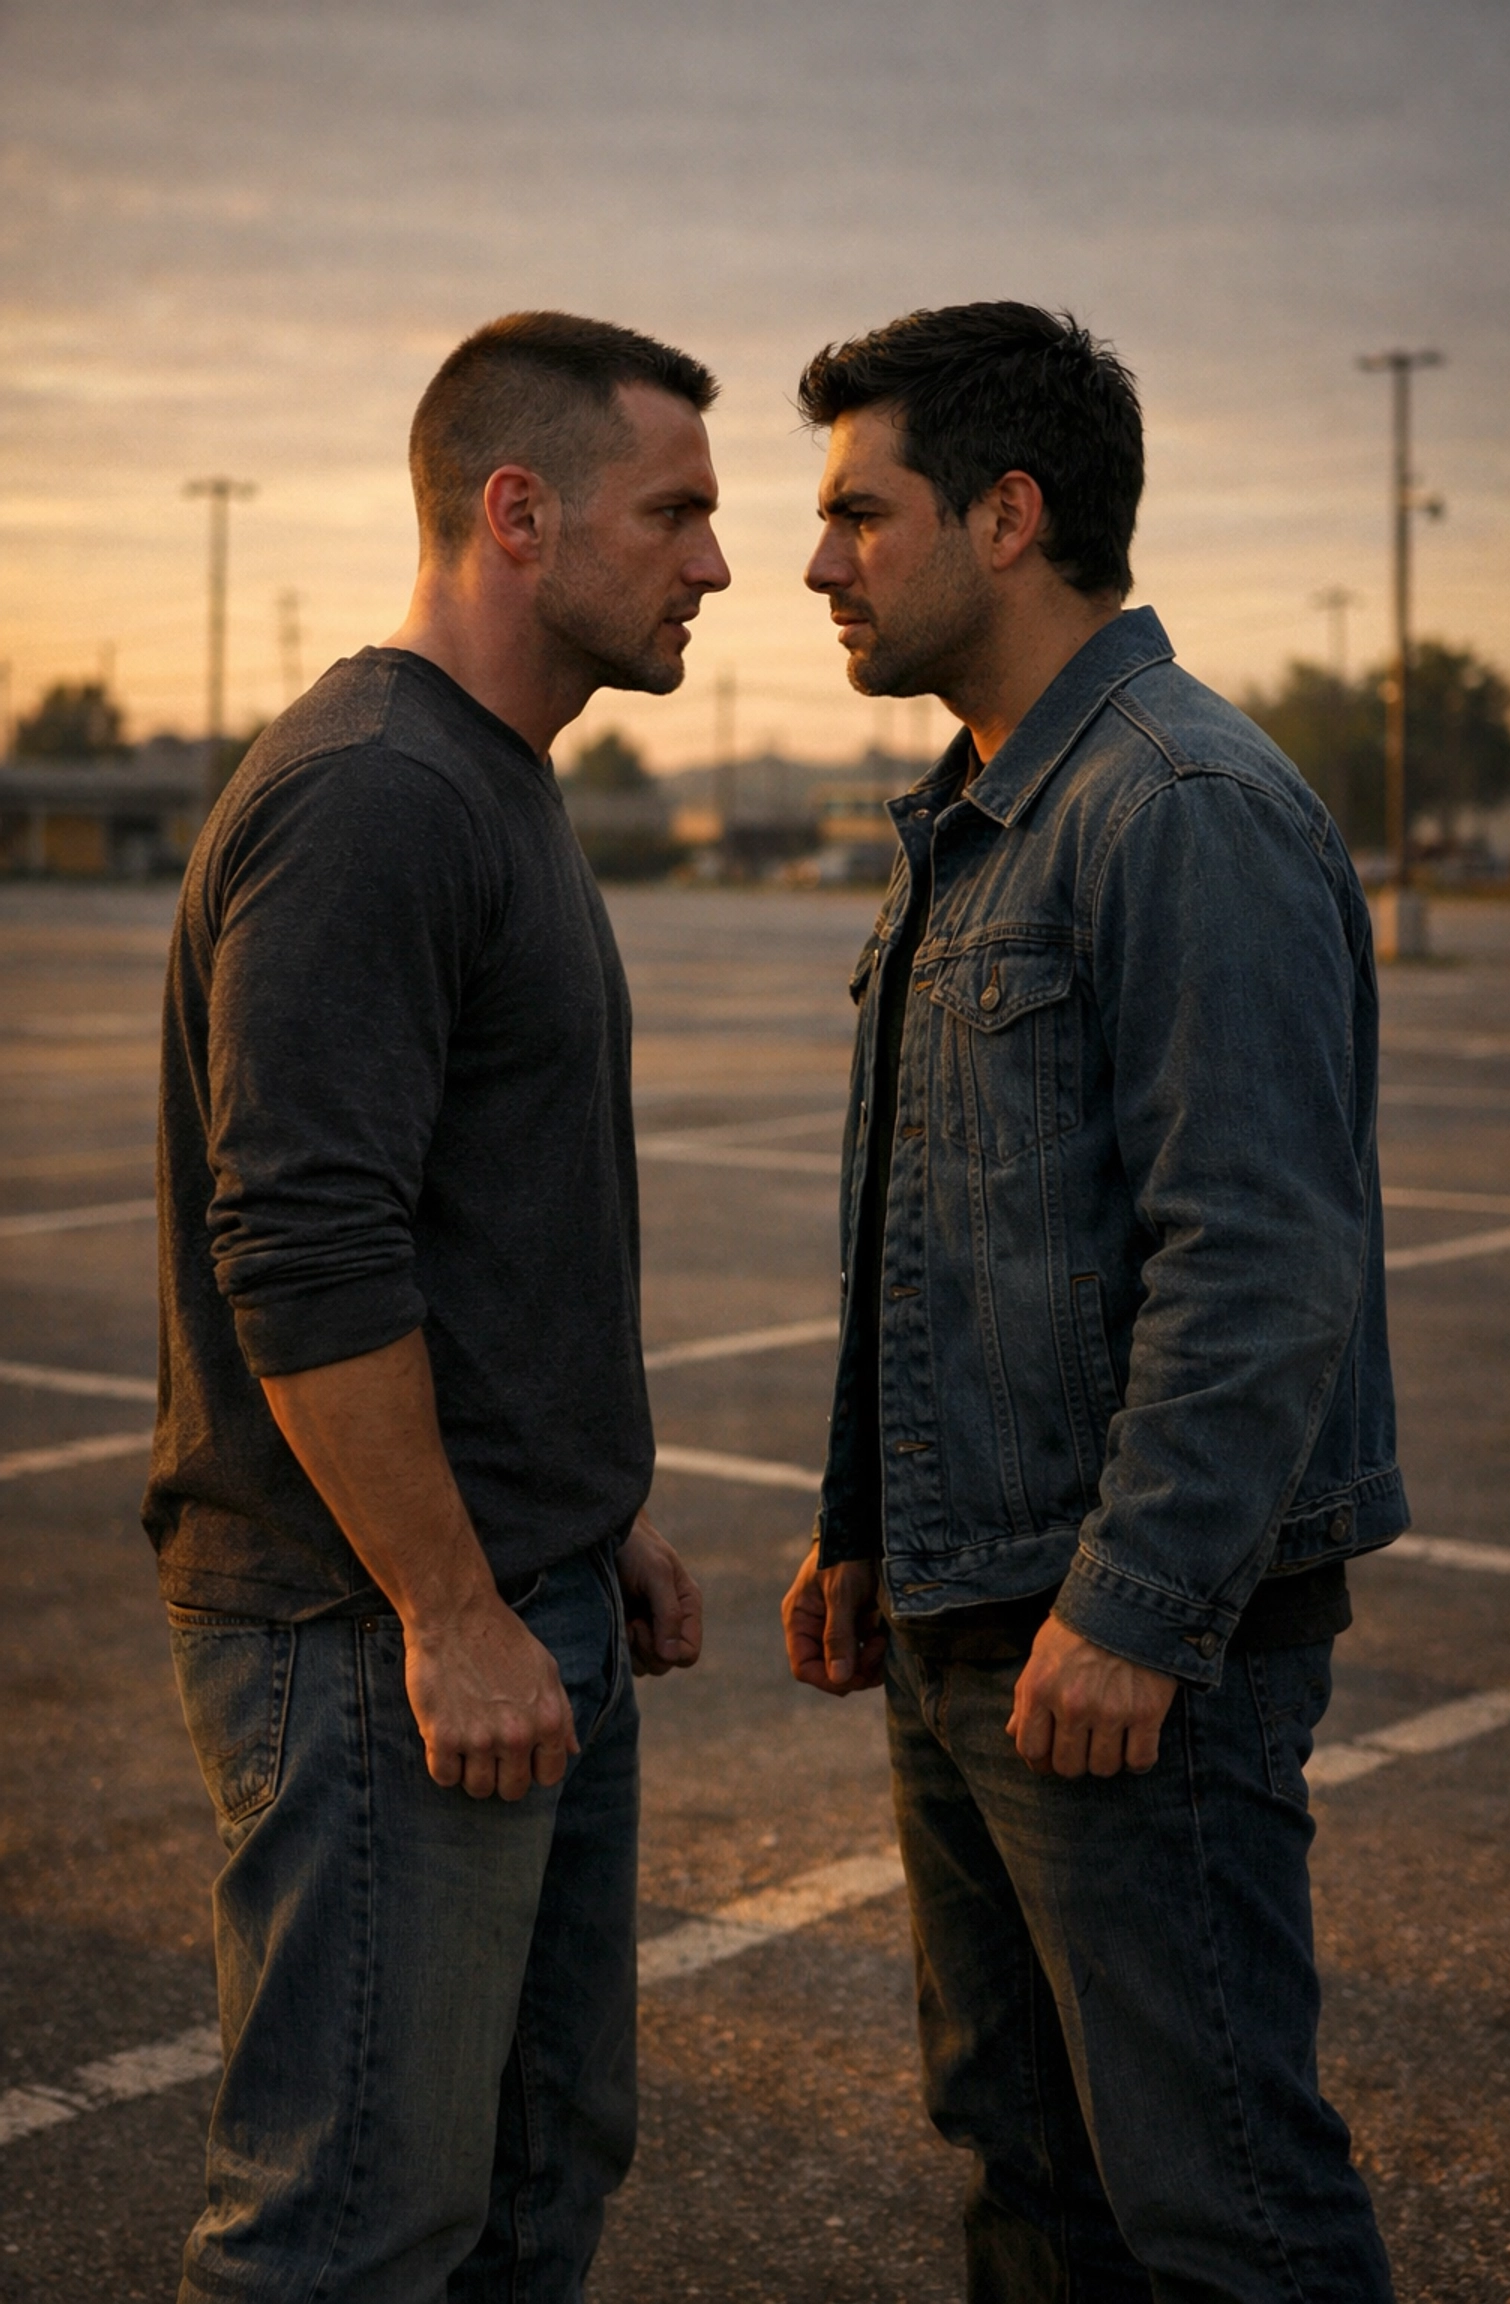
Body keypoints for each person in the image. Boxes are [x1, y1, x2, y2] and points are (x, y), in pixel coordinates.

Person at [781, 301, 1403, 2302]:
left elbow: (1258, 1258)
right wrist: (867, 1530)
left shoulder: (1179, 806)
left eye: (861, 514)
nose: (815, 562)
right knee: (1033, 2178)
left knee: (1227, 2205)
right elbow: (953, 1212)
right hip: (981, 1625)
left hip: (1131, 1655)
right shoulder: (982, 813)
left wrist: (1133, 1611)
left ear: (1010, 513)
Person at [147, 310, 729, 2303]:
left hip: (509, 1596)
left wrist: (588, 1514)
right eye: (676, 513)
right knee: (348, 2230)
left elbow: (479, 1225)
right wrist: (457, 1608)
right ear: (515, 511)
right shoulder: (376, 792)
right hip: (372, 1636)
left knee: (528, 2183)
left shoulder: (493, 785)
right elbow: (303, 1253)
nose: (718, 565)